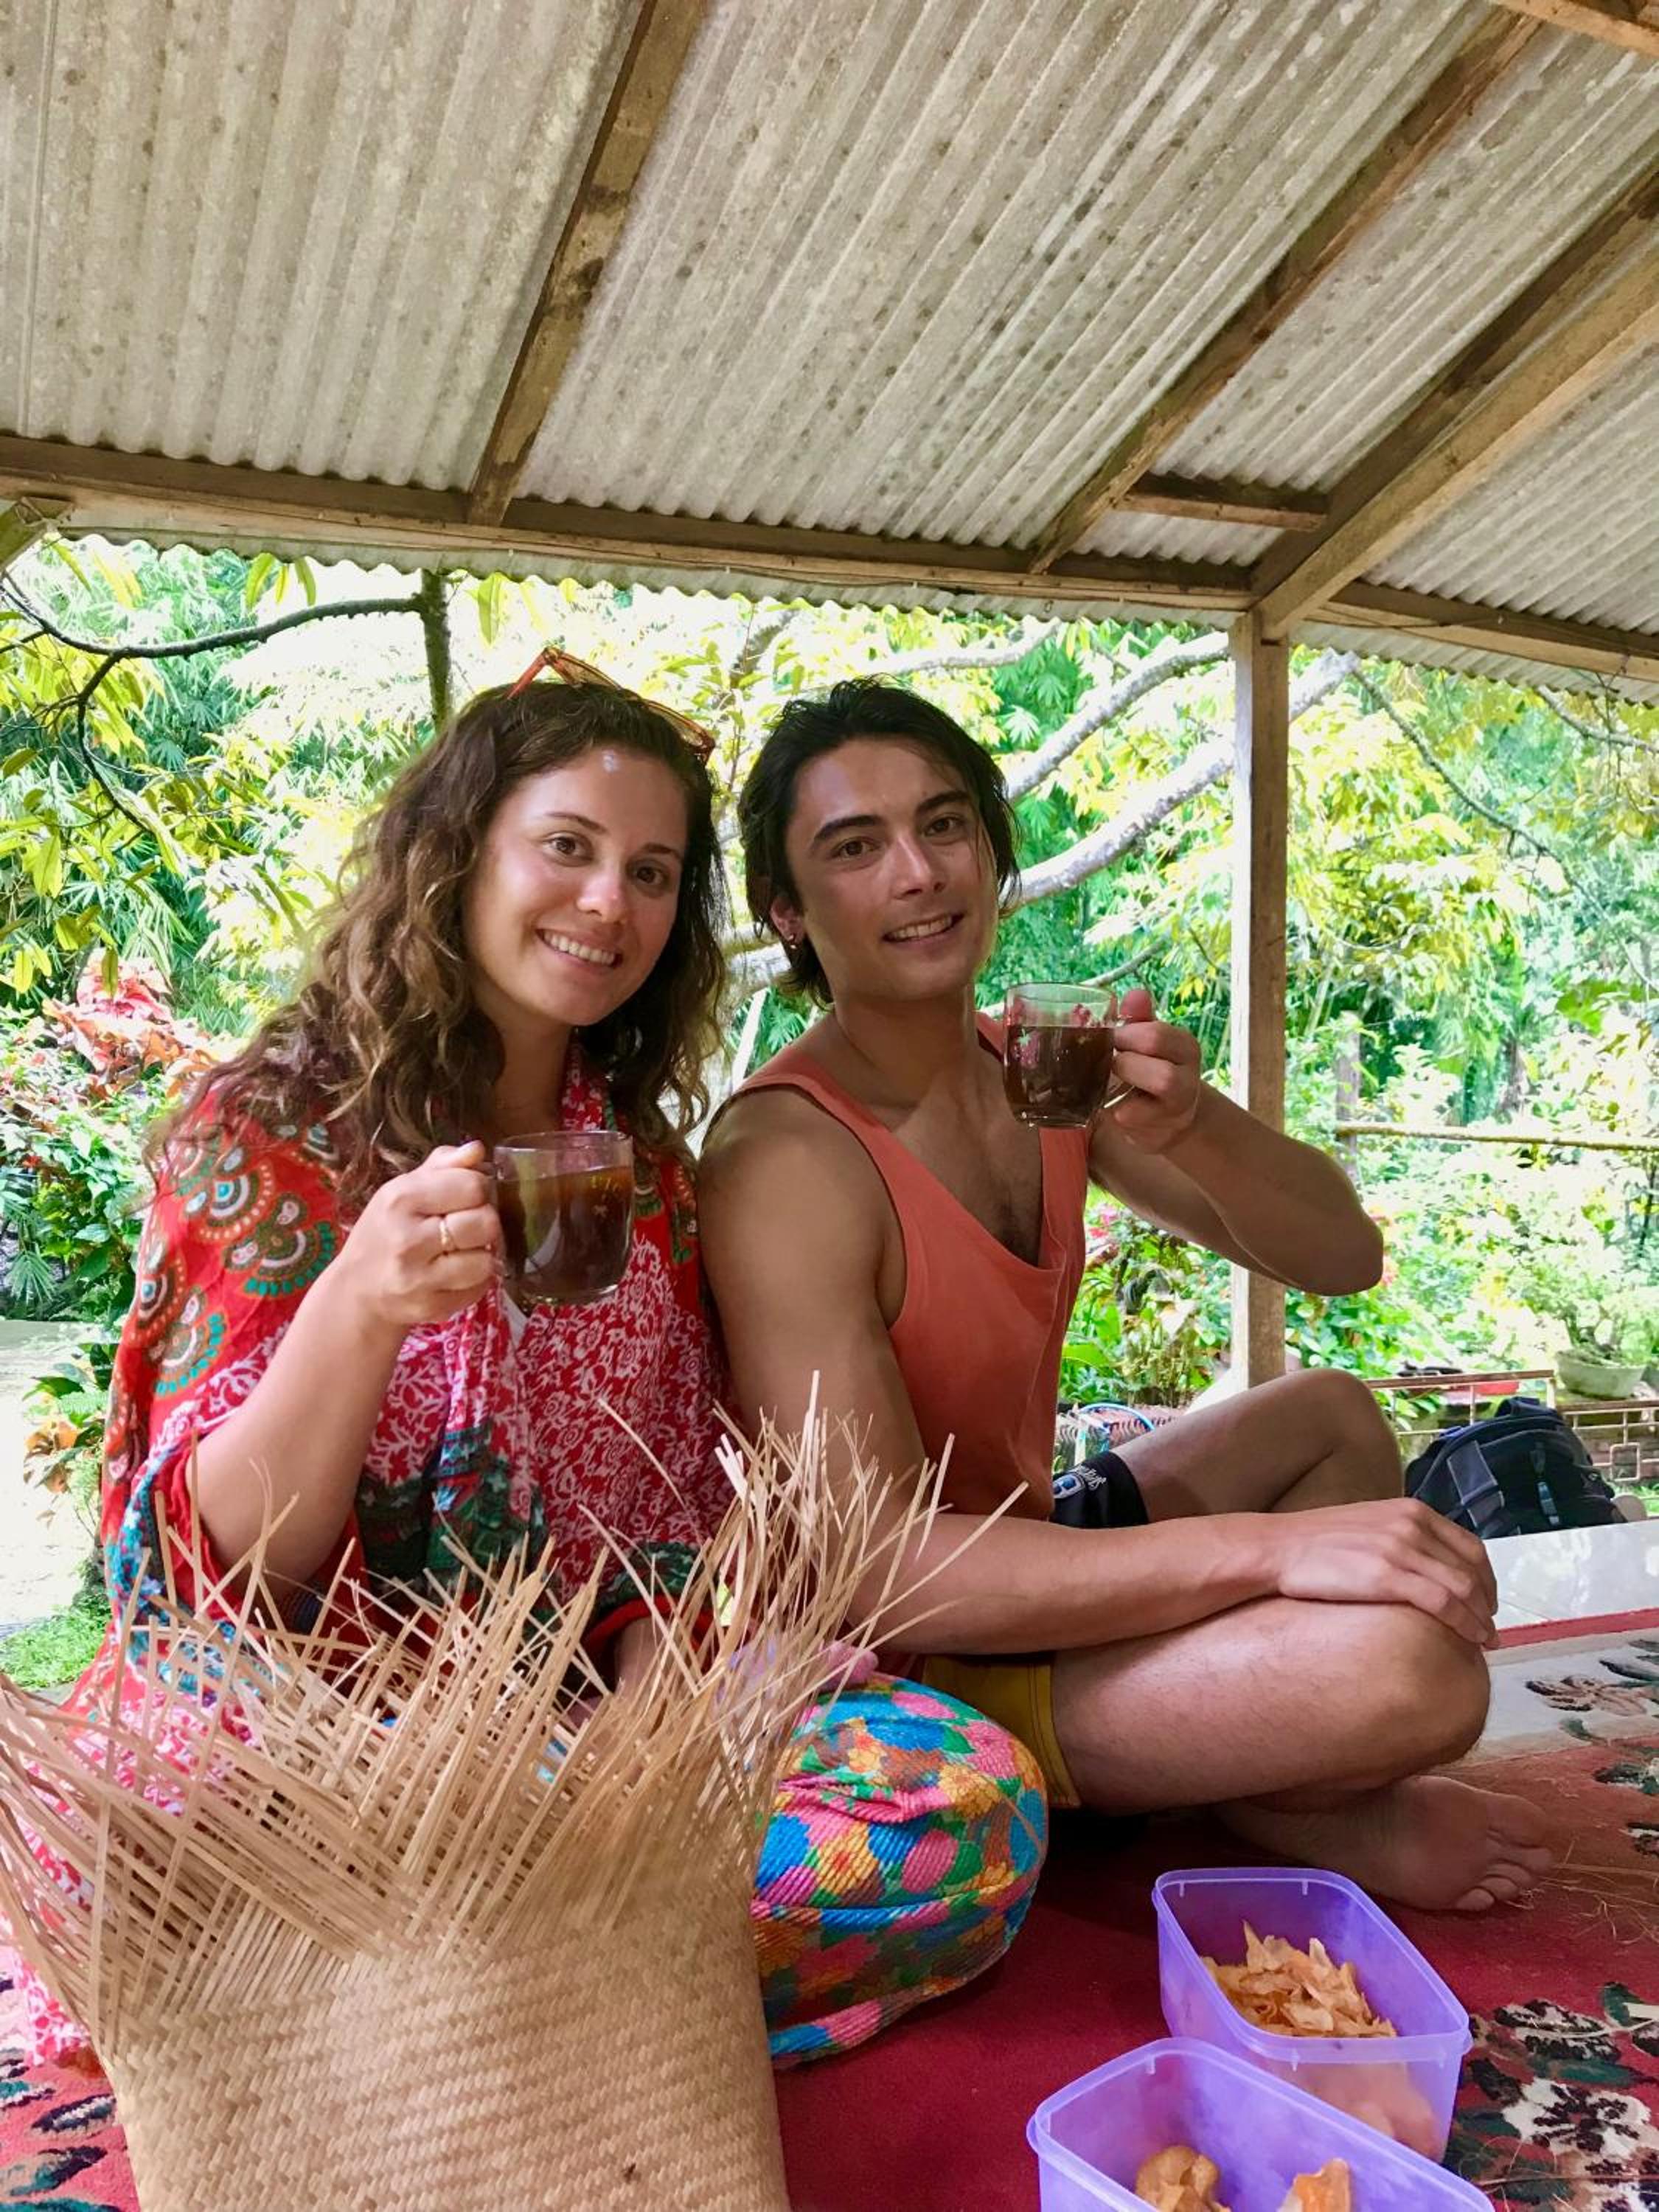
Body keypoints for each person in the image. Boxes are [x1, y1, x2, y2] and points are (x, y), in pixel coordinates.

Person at [15, 658, 1045, 2073]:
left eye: (653, 873)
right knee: (135, 1856)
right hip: (315, 1751)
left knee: (964, 1807)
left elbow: (670, 1528)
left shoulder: (637, 1172)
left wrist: (646, 1739)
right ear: (458, 856)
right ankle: (584, 2000)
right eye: (567, 846)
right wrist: (360, 1306)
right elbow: (219, 1575)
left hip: (570, 1747)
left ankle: (418, 2026)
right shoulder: (262, 1135)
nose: (609, 902)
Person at [700, 678, 1554, 1914]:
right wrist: (1273, 1554)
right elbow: (883, 1572)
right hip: (901, 1669)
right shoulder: (787, 1158)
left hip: (1029, 1550)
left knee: (1329, 1415)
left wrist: (1193, 1122)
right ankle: (1254, 1781)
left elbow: (1341, 1256)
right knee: (1412, 1674)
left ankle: (1250, 1776)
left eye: (943, 825)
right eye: (854, 847)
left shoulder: (1036, 1069)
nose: (918, 873)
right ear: (787, 910)